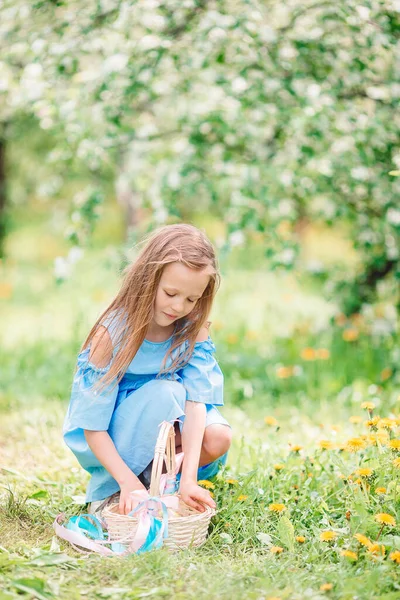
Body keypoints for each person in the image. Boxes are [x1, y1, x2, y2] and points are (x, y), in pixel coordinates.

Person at [63, 223, 232, 516]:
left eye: (191, 299)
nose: (179, 306)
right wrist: (127, 482)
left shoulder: (192, 329)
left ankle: (171, 481)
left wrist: (189, 479)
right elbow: (92, 426)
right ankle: (126, 484)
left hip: (172, 415)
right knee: (167, 392)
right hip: (119, 431)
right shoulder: (112, 335)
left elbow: (196, 401)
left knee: (218, 436)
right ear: (148, 280)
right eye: (170, 293)